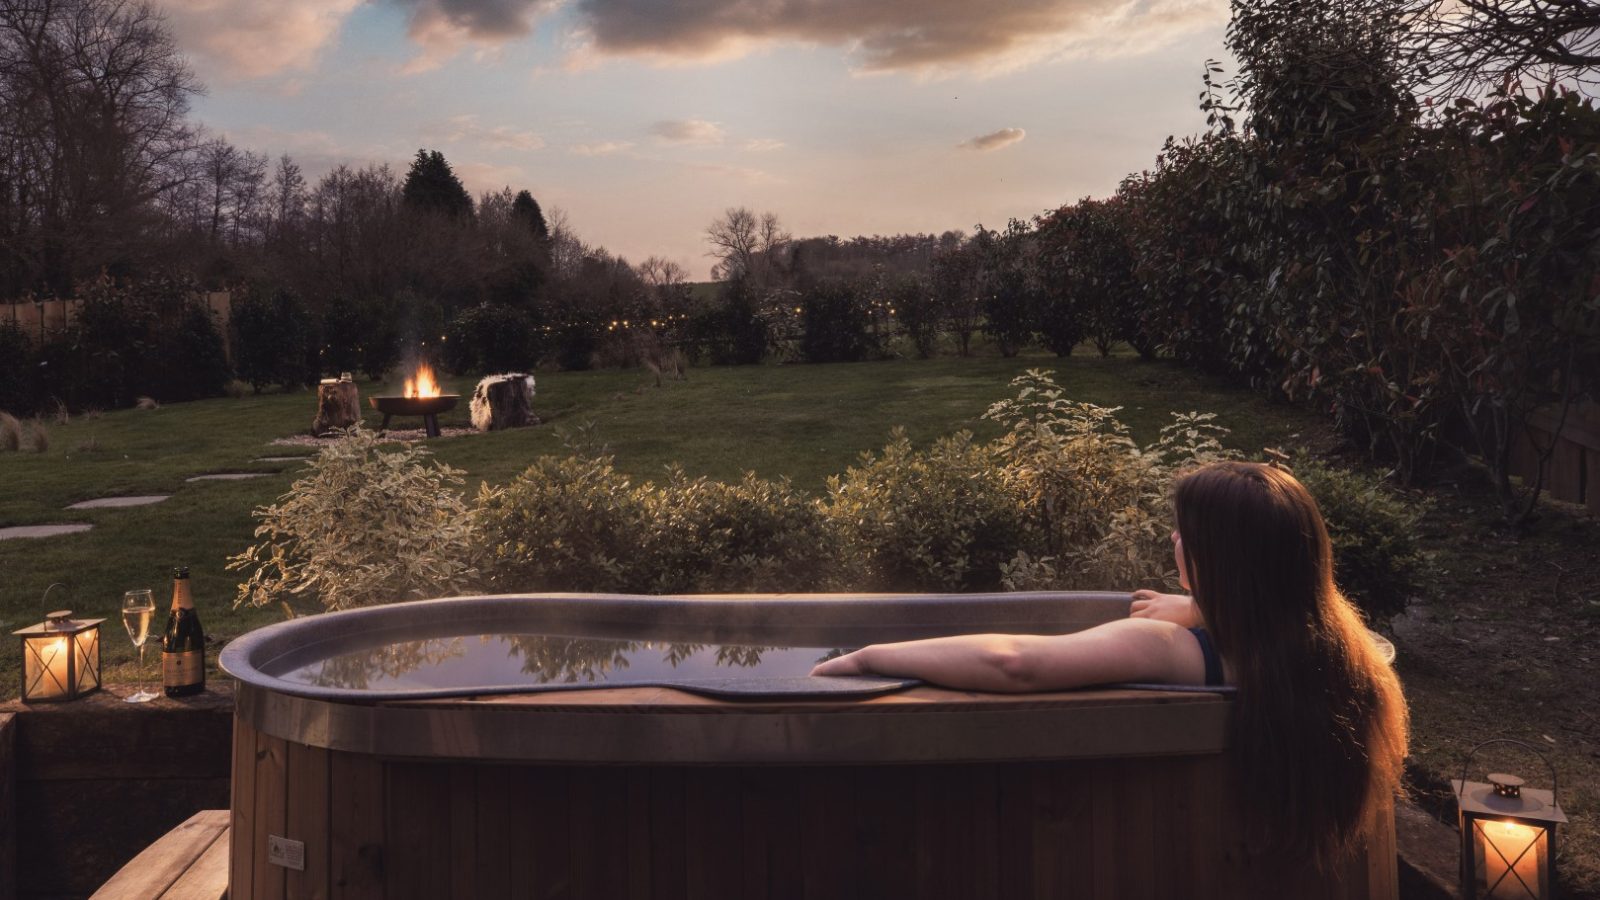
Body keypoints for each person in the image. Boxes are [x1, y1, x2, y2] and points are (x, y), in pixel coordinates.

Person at [811, 460, 1408, 866]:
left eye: (1184, 536)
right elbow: (1269, 601)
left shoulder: (1169, 651)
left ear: (1216, 561)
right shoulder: (1342, 653)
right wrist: (1199, 607)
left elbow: (1016, 663)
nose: (1174, 541)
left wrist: (873, 655)